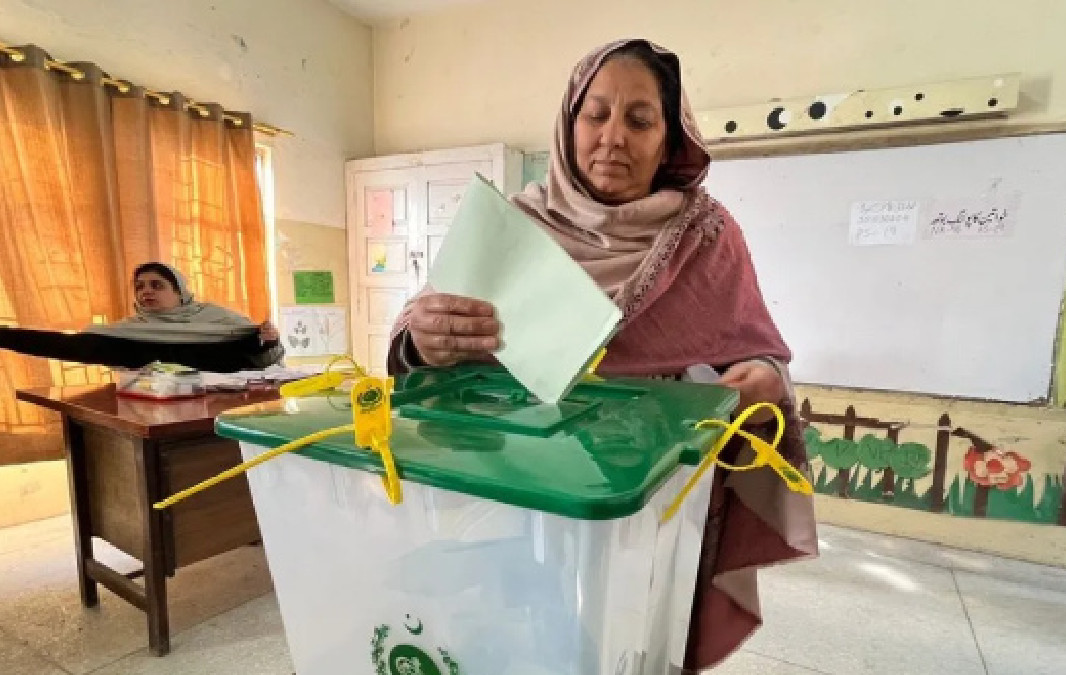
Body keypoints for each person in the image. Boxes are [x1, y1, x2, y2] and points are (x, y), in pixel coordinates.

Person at [388, 39, 818, 672]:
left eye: (639, 120)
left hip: (657, 500)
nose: (613, 137)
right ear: (569, 125)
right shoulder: (511, 228)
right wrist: (422, 340)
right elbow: (417, 338)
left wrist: (764, 381)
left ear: (669, 141)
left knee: (636, 644)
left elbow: (761, 351)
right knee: (525, 644)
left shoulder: (707, 236)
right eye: (596, 115)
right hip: (519, 495)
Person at [0, 262, 284, 372]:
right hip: (156, 418)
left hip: (224, 415)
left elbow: (258, 359)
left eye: (157, 285)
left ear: (179, 292)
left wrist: (268, 341)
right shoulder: (130, 333)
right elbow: (68, 346)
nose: (146, 292)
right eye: (139, 287)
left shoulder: (220, 321)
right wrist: (5, 336)